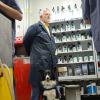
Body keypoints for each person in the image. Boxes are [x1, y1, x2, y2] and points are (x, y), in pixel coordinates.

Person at [23, 8, 57, 100]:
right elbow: (25, 41)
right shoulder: (35, 27)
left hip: (49, 67)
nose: (49, 15)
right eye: (46, 14)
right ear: (40, 16)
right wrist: (34, 54)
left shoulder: (49, 29)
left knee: (49, 94)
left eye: (49, 14)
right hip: (39, 67)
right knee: (36, 93)